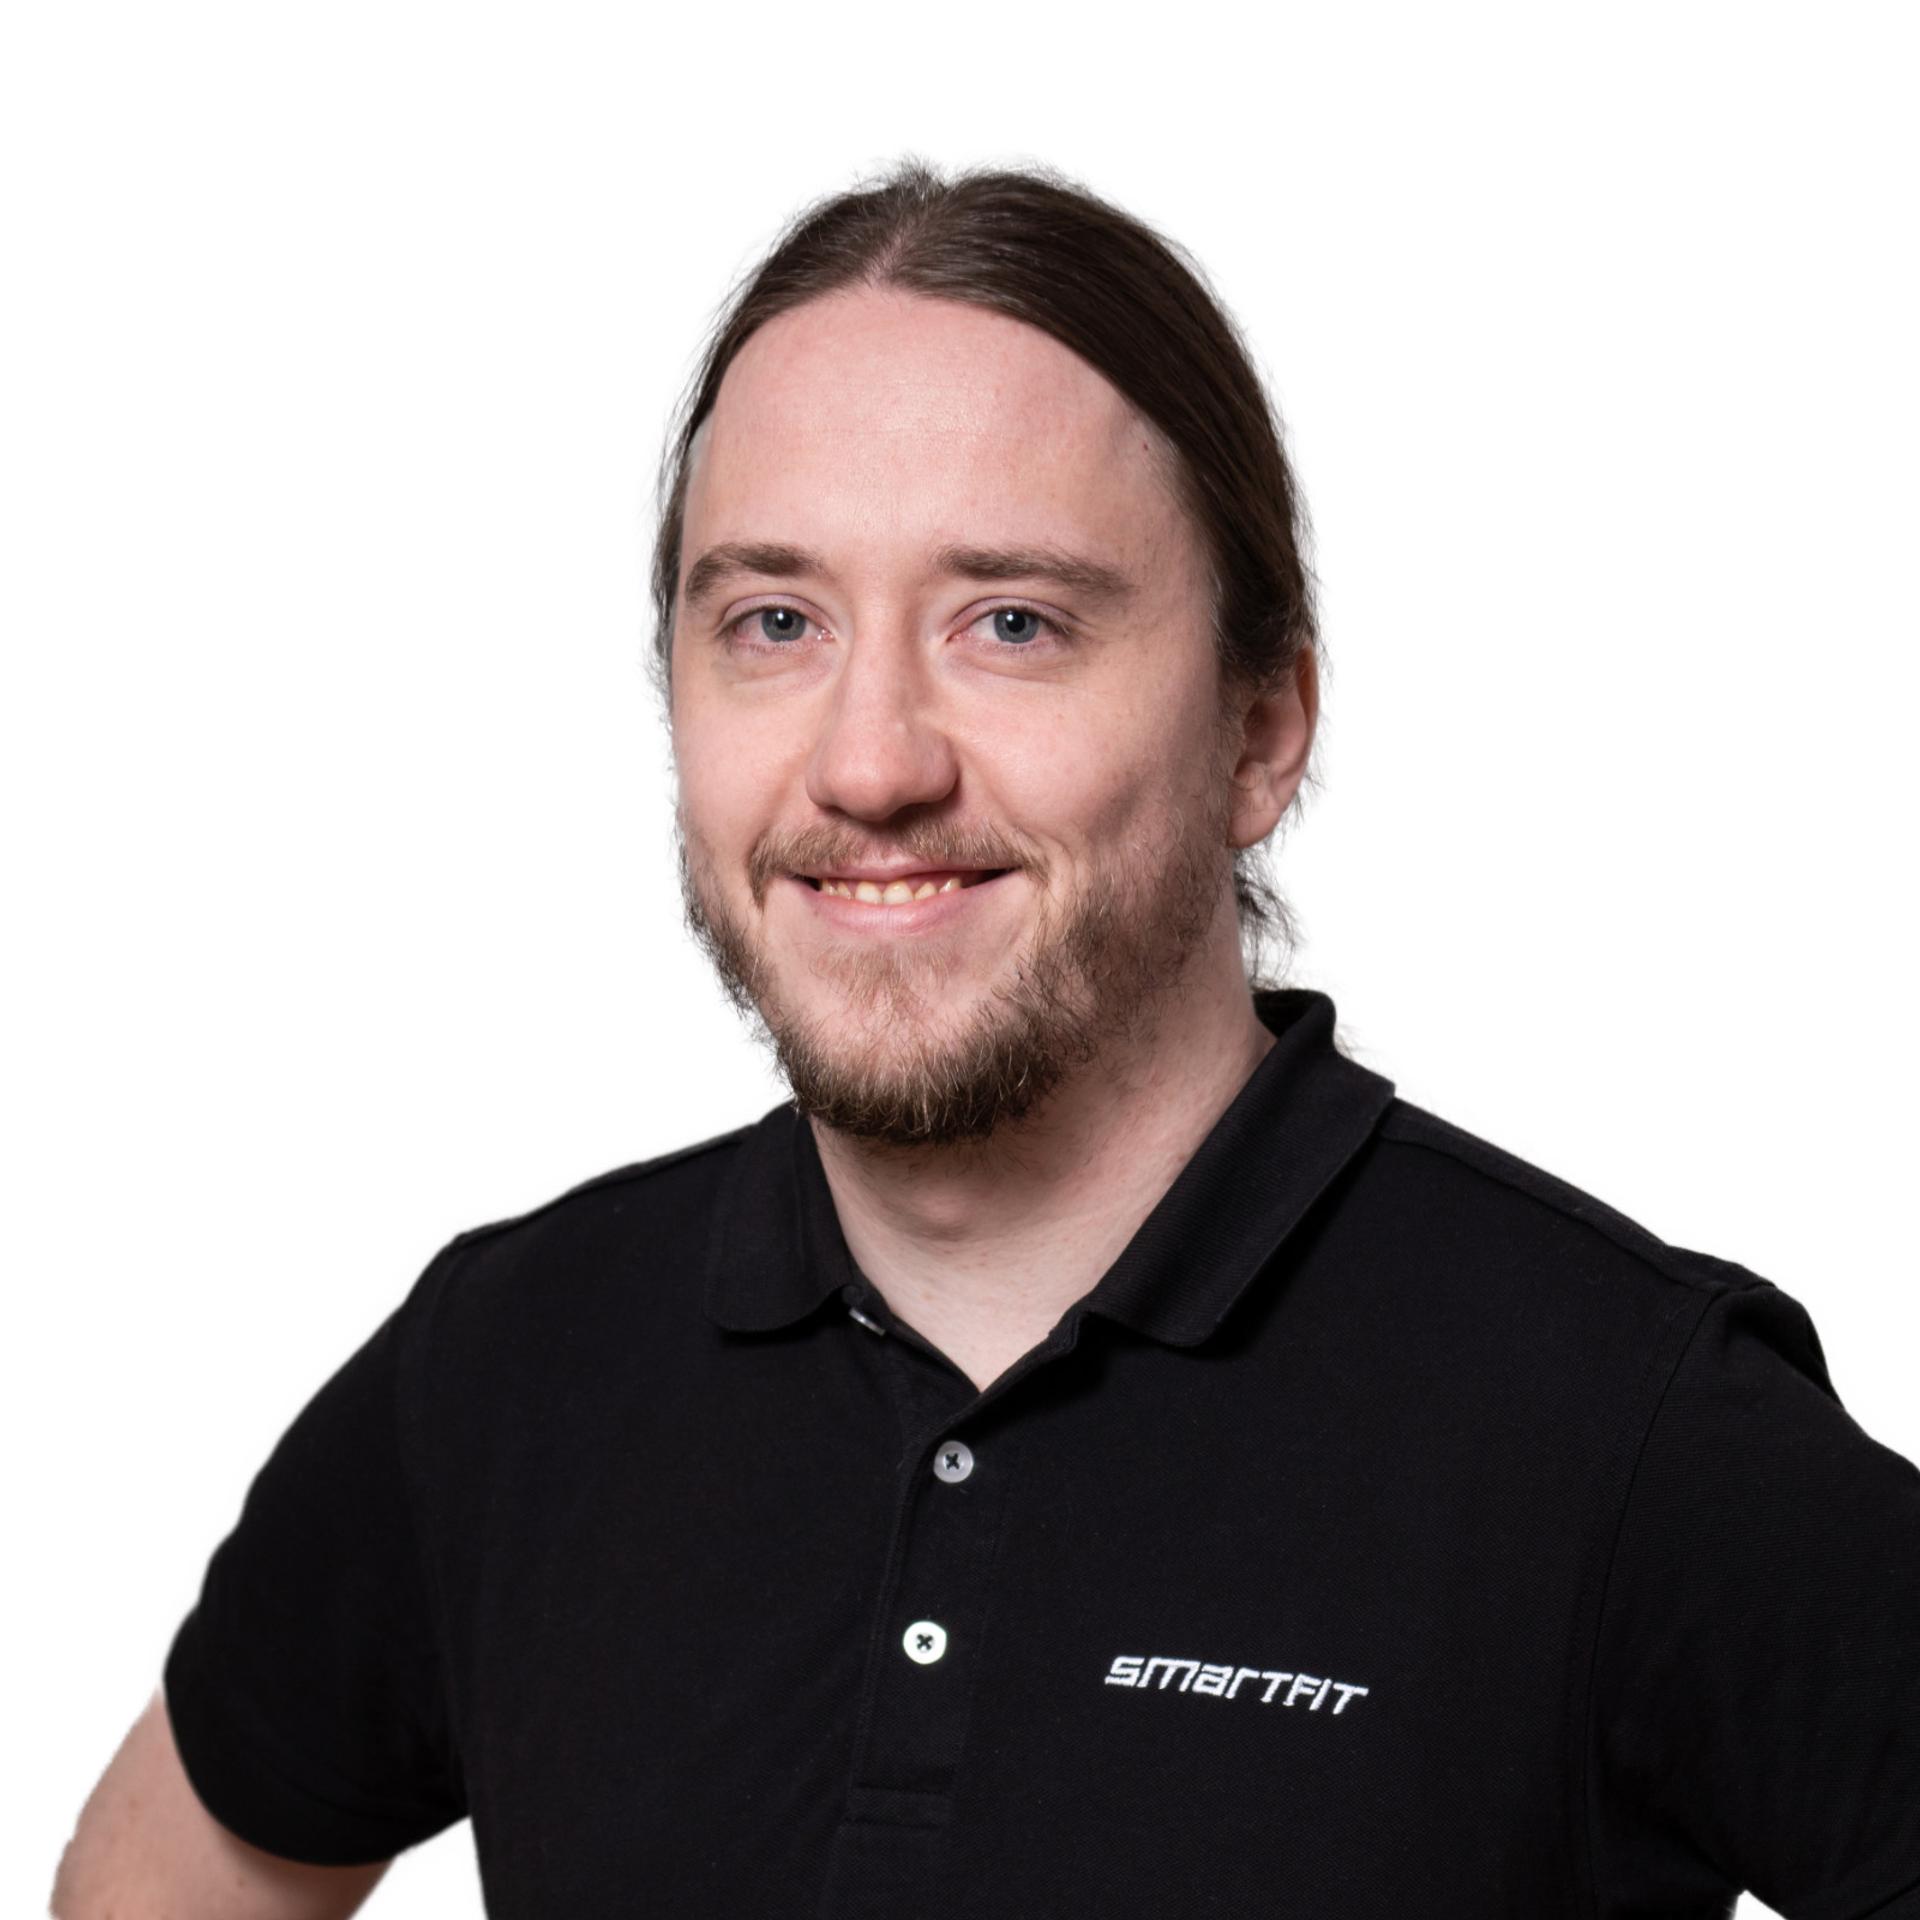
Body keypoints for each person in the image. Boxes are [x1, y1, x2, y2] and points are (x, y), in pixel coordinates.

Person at [53, 157, 1920, 1920]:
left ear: (1261, 732)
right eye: (773, 621)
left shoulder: (1622, 1424)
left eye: (1011, 623)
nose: (871, 764)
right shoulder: (507, 1371)